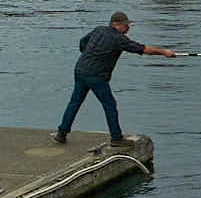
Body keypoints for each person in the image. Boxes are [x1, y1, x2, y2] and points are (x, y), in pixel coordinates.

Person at [52, 11, 175, 147]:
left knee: (75, 102)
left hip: (80, 70)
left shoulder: (99, 30)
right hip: (96, 76)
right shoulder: (119, 39)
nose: (128, 28)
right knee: (110, 105)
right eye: (126, 25)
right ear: (116, 24)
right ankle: (116, 138)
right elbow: (143, 49)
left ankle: (61, 133)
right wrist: (164, 52)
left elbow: (83, 43)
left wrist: (89, 56)